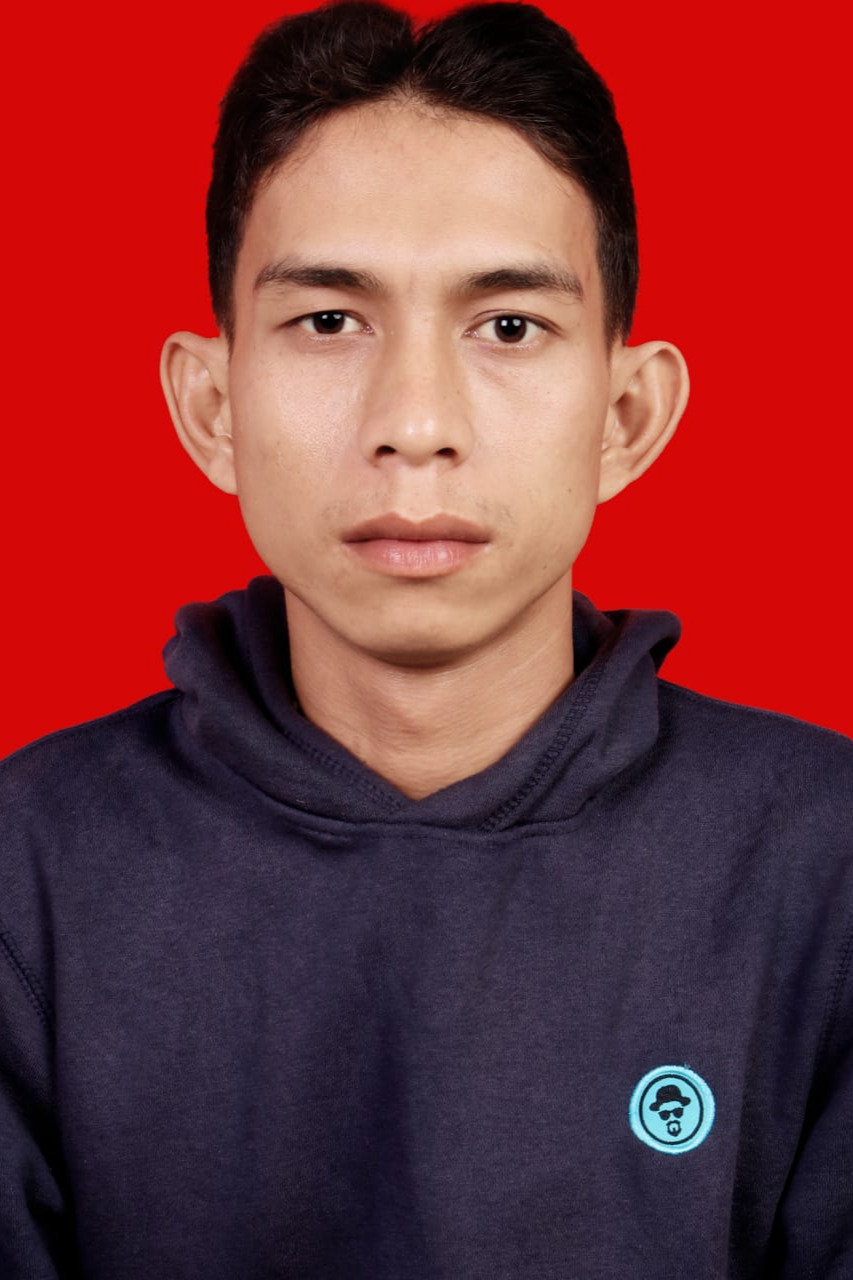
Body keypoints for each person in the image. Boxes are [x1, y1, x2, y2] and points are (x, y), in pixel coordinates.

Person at [1, 1, 850, 1275]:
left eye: (507, 326)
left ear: (624, 415)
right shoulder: (28, 869)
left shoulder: (822, 860)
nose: (414, 422)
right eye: (328, 321)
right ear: (212, 405)